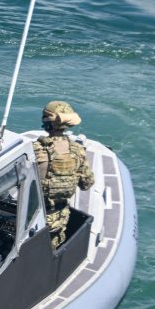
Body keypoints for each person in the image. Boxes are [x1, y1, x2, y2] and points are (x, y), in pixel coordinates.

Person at [32, 100, 94, 249]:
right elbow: (87, 184)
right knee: (52, 248)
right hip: (60, 217)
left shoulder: (35, 150)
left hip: (34, 217)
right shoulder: (77, 150)